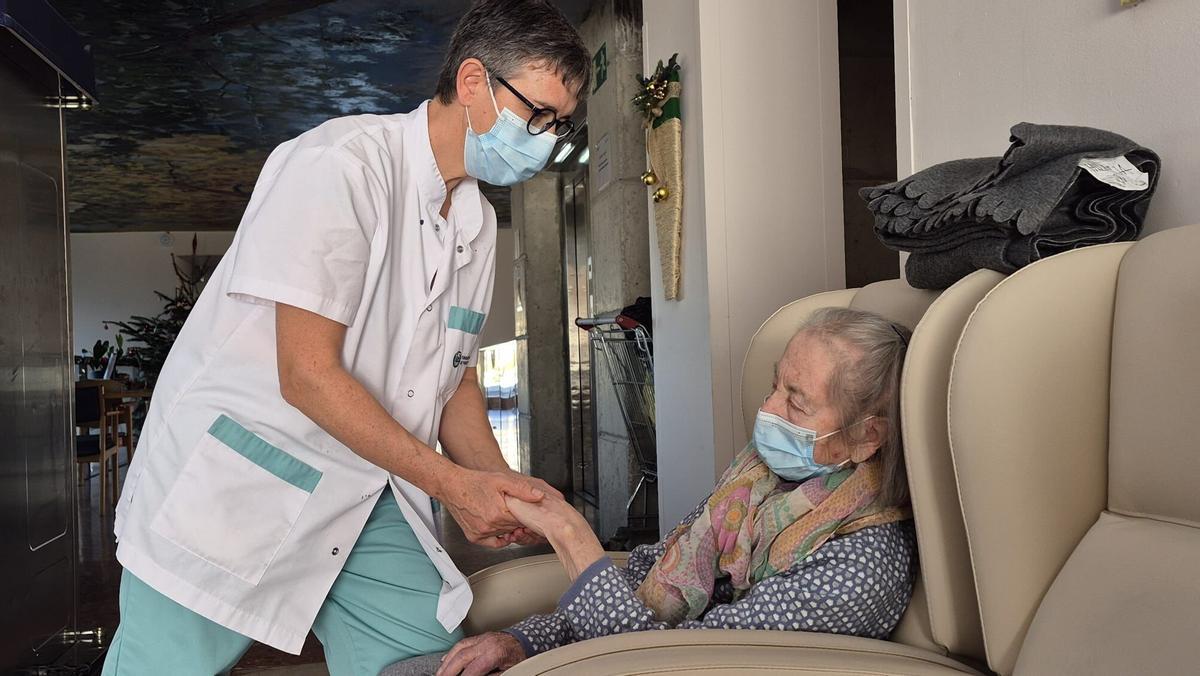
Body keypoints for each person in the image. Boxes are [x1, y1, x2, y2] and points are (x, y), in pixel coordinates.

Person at [101, 2, 590, 674]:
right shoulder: (341, 166)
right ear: (473, 81)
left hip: (369, 489)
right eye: (537, 115)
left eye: (558, 124)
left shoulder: (475, 224)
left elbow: (453, 381)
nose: (545, 138)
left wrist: (501, 488)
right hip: (246, 479)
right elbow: (306, 375)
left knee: (432, 659)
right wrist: (452, 485)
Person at [389, 307, 917, 676]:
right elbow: (649, 575)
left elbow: (663, 662)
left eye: (796, 403)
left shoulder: (859, 569)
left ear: (868, 436)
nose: (768, 410)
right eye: (774, 386)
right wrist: (523, 641)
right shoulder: (758, 485)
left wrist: (571, 536)